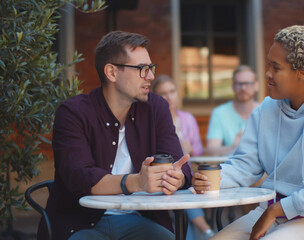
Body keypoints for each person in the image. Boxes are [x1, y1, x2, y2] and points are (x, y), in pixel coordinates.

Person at [192, 25, 304, 240]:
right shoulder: (266, 109)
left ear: (303, 72)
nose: (267, 74)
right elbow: (245, 165)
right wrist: (211, 180)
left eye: (276, 67)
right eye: (269, 65)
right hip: (273, 214)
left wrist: (279, 208)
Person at [38, 31, 192, 240]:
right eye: (141, 69)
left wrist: (178, 178)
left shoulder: (156, 107)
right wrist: (136, 182)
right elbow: (81, 178)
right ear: (111, 72)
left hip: (142, 218)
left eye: (151, 68)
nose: (151, 76)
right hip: (82, 224)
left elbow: (176, 161)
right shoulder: (73, 112)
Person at [152, 75, 214, 240]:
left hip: (189, 174)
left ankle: (204, 233)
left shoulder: (187, 119)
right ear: (155, 97)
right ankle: (207, 231)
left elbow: (199, 153)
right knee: (184, 194)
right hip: (164, 177)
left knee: (186, 192)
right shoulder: (152, 121)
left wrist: (189, 149)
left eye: (172, 91)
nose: (169, 97)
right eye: (163, 93)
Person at [204, 65, 259, 156]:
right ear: (233, 86)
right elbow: (211, 151)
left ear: (256, 86)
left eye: (248, 83)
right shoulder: (219, 113)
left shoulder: (265, 111)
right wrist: (234, 147)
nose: (243, 88)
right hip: (230, 167)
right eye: (239, 84)